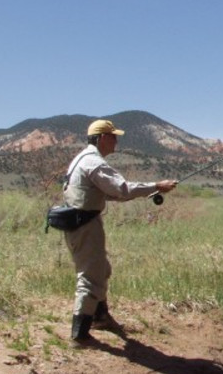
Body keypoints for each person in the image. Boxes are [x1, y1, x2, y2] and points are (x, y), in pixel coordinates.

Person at [63, 119, 177, 344]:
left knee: (101, 269)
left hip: (80, 224)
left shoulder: (82, 159)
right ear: (102, 138)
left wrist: (146, 191)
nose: (116, 141)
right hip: (85, 225)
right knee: (90, 278)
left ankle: (101, 317)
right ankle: (80, 335)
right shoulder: (93, 162)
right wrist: (156, 186)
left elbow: (111, 194)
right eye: (113, 136)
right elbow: (122, 189)